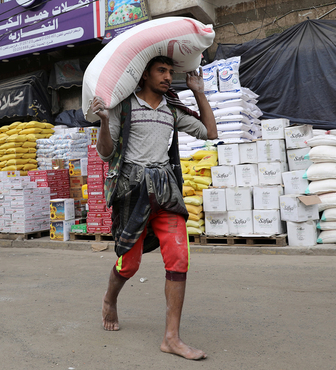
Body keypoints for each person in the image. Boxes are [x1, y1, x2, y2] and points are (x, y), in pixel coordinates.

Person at [92, 56, 217, 360]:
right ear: (145, 74)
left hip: (166, 191)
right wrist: (105, 122)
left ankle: (171, 338)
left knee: (179, 257)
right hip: (133, 192)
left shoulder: (172, 110)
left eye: (170, 72)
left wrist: (198, 91)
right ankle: (110, 299)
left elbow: (210, 133)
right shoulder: (125, 106)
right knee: (129, 264)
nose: (167, 76)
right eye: (162, 71)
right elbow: (106, 153)